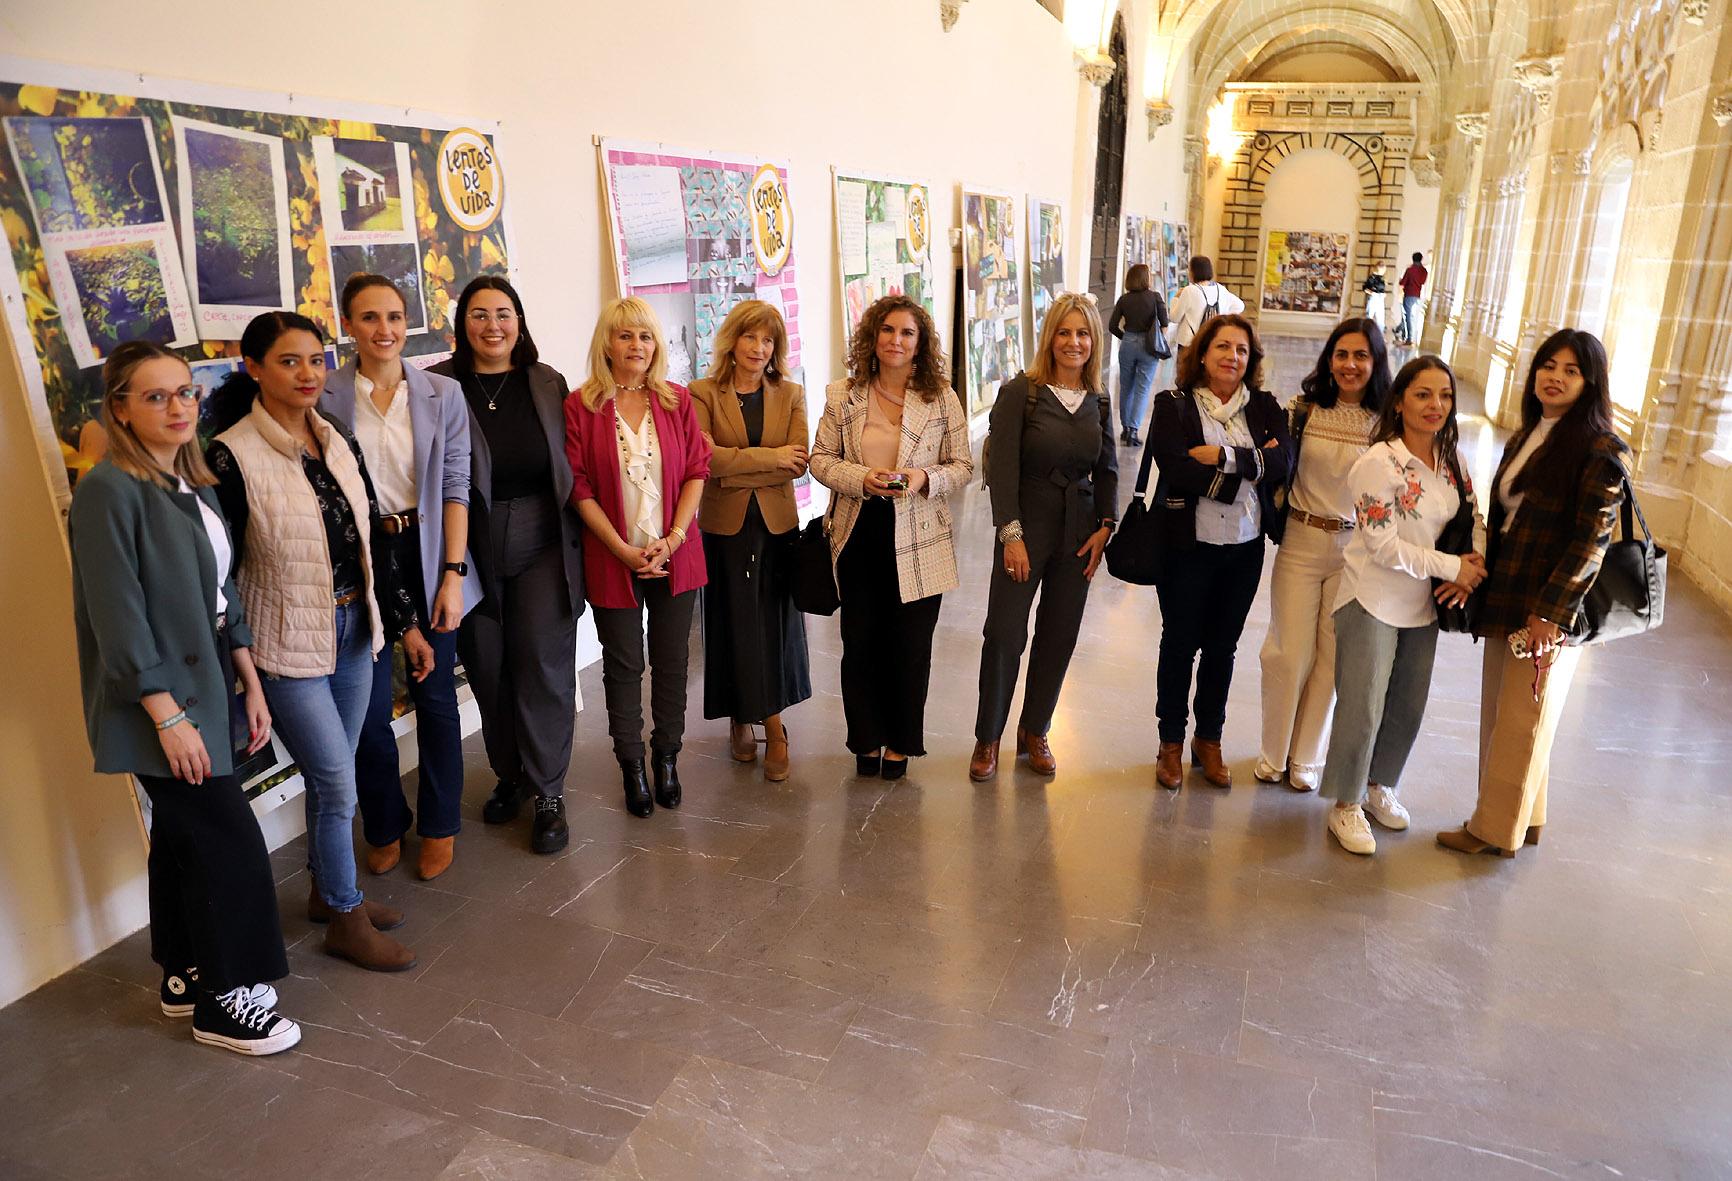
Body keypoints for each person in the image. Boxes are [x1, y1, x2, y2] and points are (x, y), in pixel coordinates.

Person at [69, 341, 299, 1055]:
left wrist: (250, 681)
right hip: (157, 708)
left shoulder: (186, 484)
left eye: (184, 392)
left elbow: (220, 594)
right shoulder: (109, 490)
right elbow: (119, 618)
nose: (177, 407)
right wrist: (167, 715)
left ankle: (184, 972)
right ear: (121, 410)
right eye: (155, 396)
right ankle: (224, 999)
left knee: (181, 839)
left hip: (206, 693)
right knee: (227, 842)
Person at [207, 312, 428, 973]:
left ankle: (323, 890)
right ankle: (345, 915)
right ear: (253, 368)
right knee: (335, 779)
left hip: (354, 629)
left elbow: (372, 541)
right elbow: (221, 574)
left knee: (345, 767)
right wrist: (246, 673)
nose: (307, 374)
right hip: (286, 646)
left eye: (315, 359)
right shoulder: (232, 455)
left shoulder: (334, 438)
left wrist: (404, 621)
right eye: (288, 361)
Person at [1439, 329, 1628, 858]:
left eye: (1571, 370)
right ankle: (1528, 815)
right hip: (1509, 593)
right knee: (1509, 711)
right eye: (1549, 365)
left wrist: (1551, 614)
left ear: (1590, 383)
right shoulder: (1528, 436)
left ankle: (1493, 831)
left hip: (1547, 606)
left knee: (1522, 715)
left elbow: (1591, 541)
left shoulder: (1601, 449)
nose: (1555, 377)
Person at [323, 274, 481, 881]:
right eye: (369, 318)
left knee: (435, 695)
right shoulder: (329, 395)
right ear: (349, 325)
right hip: (358, 554)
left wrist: (451, 575)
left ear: (407, 320)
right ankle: (385, 823)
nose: (383, 330)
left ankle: (440, 824)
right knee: (363, 711)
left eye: (393, 316)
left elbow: (456, 488)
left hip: (430, 546)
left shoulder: (442, 393)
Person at [429, 277, 584, 855]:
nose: (492, 325)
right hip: (468, 548)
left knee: (542, 664)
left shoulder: (546, 381)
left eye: (503, 313)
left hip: (543, 541)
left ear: (519, 320)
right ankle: (511, 774)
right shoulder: (438, 386)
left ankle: (548, 793)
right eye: (479, 315)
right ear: (461, 324)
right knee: (489, 668)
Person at [1319, 356, 1486, 854]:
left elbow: (1474, 517)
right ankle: (1345, 804)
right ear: (1399, 401)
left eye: (1445, 396)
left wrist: (1473, 562)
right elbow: (1382, 546)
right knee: (1362, 706)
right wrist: (1453, 569)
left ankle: (1379, 786)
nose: (1436, 406)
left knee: (1408, 705)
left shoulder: (1453, 460)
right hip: (1371, 597)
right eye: (1423, 395)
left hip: (1425, 604)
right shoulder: (1378, 463)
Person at [810, 294, 973, 779]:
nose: (895, 341)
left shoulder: (942, 398)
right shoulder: (843, 393)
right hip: (859, 531)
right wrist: (861, 478)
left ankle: (901, 742)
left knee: (909, 645)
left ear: (920, 344)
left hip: (921, 536)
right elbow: (820, 458)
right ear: (872, 338)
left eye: (907, 333)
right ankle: (864, 738)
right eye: (887, 331)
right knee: (859, 643)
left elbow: (963, 465)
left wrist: (924, 479)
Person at [565, 297, 710, 817]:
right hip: (613, 556)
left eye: (645, 336)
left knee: (672, 662)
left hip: (677, 552)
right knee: (623, 666)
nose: (637, 346)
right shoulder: (580, 405)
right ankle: (631, 765)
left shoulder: (677, 400)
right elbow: (578, 486)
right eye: (625, 336)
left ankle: (666, 757)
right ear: (607, 343)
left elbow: (697, 469)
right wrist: (623, 550)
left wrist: (672, 538)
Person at [970, 293, 1117, 780]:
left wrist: (1106, 527)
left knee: (1059, 636)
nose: (1073, 342)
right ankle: (988, 737)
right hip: (1025, 527)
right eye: (1064, 332)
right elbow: (1003, 468)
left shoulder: (1099, 399)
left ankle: (1036, 730)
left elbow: (1109, 468)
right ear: (1050, 337)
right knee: (1005, 635)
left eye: (1082, 333)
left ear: (1094, 341)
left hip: (1078, 535)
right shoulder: (1023, 392)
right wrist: (1010, 534)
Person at [1146, 314, 1291, 790]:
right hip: (1188, 546)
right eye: (1223, 347)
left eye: (1242, 350)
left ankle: (1209, 739)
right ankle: (1170, 741)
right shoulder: (1175, 404)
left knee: (1223, 648)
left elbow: (1283, 462)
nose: (1233, 356)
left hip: (1244, 549)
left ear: (1251, 360)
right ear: (1203, 354)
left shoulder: (1266, 407)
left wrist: (1226, 458)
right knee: (1180, 642)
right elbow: (1175, 466)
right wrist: (1248, 472)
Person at [1255, 319, 1390, 792]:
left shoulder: (1386, 423)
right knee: (1289, 653)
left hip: (1355, 550)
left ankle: (1305, 757)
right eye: (1342, 354)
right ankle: (1273, 751)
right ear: (1329, 359)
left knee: (1332, 659)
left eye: (1361, 356)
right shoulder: (1304, 409)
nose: (1350, 365)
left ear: (1375, 363)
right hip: (1301, 538)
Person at [690, 300, 810, 782]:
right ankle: (741, 718)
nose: (759, 348)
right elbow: (707, 460)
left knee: (775, 623)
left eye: (768, 340)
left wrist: (742, 462)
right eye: (750, 338)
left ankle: (775, 725)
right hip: (724, 527)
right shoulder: (702, 392)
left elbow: (798, 460)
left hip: (778, 524)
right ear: (732, 342)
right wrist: (768, 458)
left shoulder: (791, 393)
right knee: (732, 619)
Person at [1106, 263, 1168, 447]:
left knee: (1126, 386)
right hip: (1148, 346)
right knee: (1142, 388)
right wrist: (1156, 342)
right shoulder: (1155, 297)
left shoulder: (1124, 300)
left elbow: (1111, 326)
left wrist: (1125, 337)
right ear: (1146, 278)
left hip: (1128, 343)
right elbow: (1164, 323)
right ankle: (1133, 430)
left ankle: (1125, 429)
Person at [1166, 256, 1245, 355]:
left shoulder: (1189, 291)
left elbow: (1174, 318)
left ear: (1194, 272)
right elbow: (1240, 306)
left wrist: (1175, 298)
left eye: (1189, 269)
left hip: (1188, 343)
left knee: (1187, 370)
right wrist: (1222, 315)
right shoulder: (1220, 289)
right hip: (1211, 342)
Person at [1397, 252, 1428, 344]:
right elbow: (1422, 282)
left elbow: (1402, 283)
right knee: (1412, 316)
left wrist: (1400, 281)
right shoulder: (1424, 271)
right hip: (1417, 295)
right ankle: (1407, 336)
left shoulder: (1410, 270)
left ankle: (1408, 338)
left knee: (1407, 316)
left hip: (1409, 294)